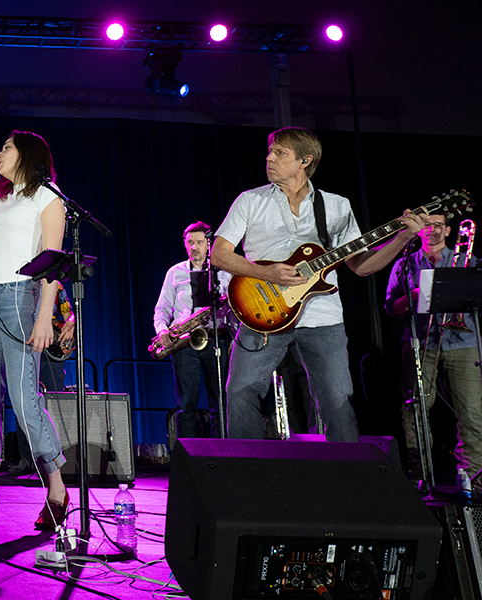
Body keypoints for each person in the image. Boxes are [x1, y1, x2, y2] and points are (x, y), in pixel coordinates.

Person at [210, 126, 426, 441]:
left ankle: (348, 479)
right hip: (261, 311)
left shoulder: (336, 206)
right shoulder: (249, 201)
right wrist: (268, 274)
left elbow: (362, 266)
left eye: (279, 153)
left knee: (337, 403)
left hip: (322, 318)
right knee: (240, 391)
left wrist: (403, 237)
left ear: (304, 161)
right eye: (270, 151)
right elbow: (219, 255)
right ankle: (246, 474)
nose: (269, 158)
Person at [0, 130, 68, 529]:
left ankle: (56, 488)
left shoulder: (48, 196)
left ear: (27, 152)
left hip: (22, 296)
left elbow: (53, 263)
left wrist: (45, 316)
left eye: (5, 147)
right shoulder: (3, 198)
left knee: (25, 401)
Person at [384, 213, 482, 479]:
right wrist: (413, 295)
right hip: (420, 343)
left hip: (463, 343)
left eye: (439, 224)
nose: (433, 229)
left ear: (449, 230)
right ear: (418, 230)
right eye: (427, 225)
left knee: (471, 411)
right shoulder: (405, 264)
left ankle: (473, 478)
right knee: (414, 409)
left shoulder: (468, 261)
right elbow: (392, 309)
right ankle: (421, 473)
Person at [153, 221, 231, 444]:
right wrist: (162, 330)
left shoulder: (224, 272)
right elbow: (162, 308)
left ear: (209, 244)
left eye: (199, 242)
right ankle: (187, 461)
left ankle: (223, 454)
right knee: (186, 403)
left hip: (217, 339)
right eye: (190, 243)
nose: (194, 247)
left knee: (220, 402)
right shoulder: (175, 272)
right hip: (185, 343)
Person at [9, 281, 75, 476]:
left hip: (52, 352)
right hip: (26, 349)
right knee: (23, 403)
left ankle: (53, 459)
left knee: (53, 403)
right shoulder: (16, 286)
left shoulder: (57, 286)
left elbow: (68, 312)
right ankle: (26, 459)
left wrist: (70, 322)